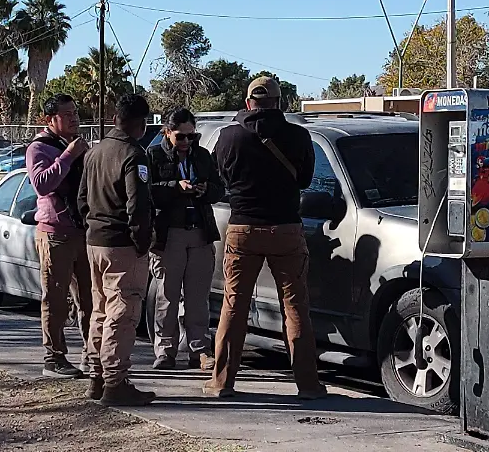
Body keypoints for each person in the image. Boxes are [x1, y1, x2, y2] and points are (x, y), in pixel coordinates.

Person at [205, 76, 326, 399]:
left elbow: (220, 179)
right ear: (279, 103)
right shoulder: (299, 136)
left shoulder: (228, 137)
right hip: (286, 228)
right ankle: (308, 385)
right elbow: (304, 180)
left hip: (242, 228)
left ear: (248, 103)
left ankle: (222, 383)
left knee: (234, 306)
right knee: (296, 308)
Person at [78, 93, 156, 406]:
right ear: (142, 123)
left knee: (99, 309)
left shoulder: (95, 152)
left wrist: (92, 225)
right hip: (122, 243)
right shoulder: (134, 155)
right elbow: (138, 205)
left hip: (94, 240)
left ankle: (96, 376)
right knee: (122, 312)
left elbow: (82, 198)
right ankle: (116, 380)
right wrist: (141, 241)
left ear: (115, 119)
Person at [147, 108, 225, 371]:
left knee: (198, 296)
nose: (187, 143)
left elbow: (218, 188)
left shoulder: (202, 156)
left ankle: (199, 349)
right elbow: (146, 193)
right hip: (169, 234)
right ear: (167, 133)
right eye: (181, 137)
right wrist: (175, 187)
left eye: (193, 137)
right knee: (167, 296)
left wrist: (205, 190)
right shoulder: (154, 155)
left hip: (200, 232)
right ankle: (165, 351)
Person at [25, 93, 91, 379]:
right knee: (55, 298)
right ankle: (54, 358)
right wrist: (69, 156)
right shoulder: (39, 148)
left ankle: (93, 353)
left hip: (83, 231)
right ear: (50, 119)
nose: (74, 118)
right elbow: (42, 184)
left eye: (75, 112)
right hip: (55, 234)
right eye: (67, 114)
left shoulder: (79, 146)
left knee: (89, 299)